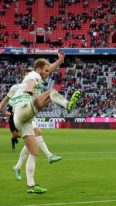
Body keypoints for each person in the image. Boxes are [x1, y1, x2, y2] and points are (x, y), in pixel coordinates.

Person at [9, 53, 81, 193]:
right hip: (24, 108)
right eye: (46, 70)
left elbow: (49, 69)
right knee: (51, 92)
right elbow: (31, 82)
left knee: (34, 152)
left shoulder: (38, 74)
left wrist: (59, 61)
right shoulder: (33, 75)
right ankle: (68, 105)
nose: (48, 73)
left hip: (22, 120)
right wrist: (30, 89)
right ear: (38, 69)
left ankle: (30, 186)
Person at [0, 68, 62, 181]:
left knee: (33, 141)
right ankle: (49, 155)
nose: (30, 76)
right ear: (23, 76)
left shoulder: (35, 86)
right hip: (19, 116)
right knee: (37, 133)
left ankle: (18, 166)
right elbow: (4, 101)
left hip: (28, 116)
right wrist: (3, 110)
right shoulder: (16, 87)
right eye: (27, 74)